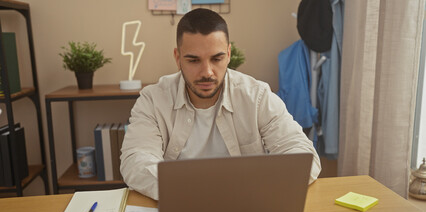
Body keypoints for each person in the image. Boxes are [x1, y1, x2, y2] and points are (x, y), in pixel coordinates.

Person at [120, 8, 321, 200]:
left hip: (246, 204)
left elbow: (304, 156)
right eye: (193, 60)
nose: (207, 72)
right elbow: (136, 162)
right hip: (181, 203)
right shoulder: (153, 100)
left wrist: (258, 188)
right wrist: (194, 191)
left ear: (229, 54)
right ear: (178, 58)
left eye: (217, 58)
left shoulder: (256, 96)